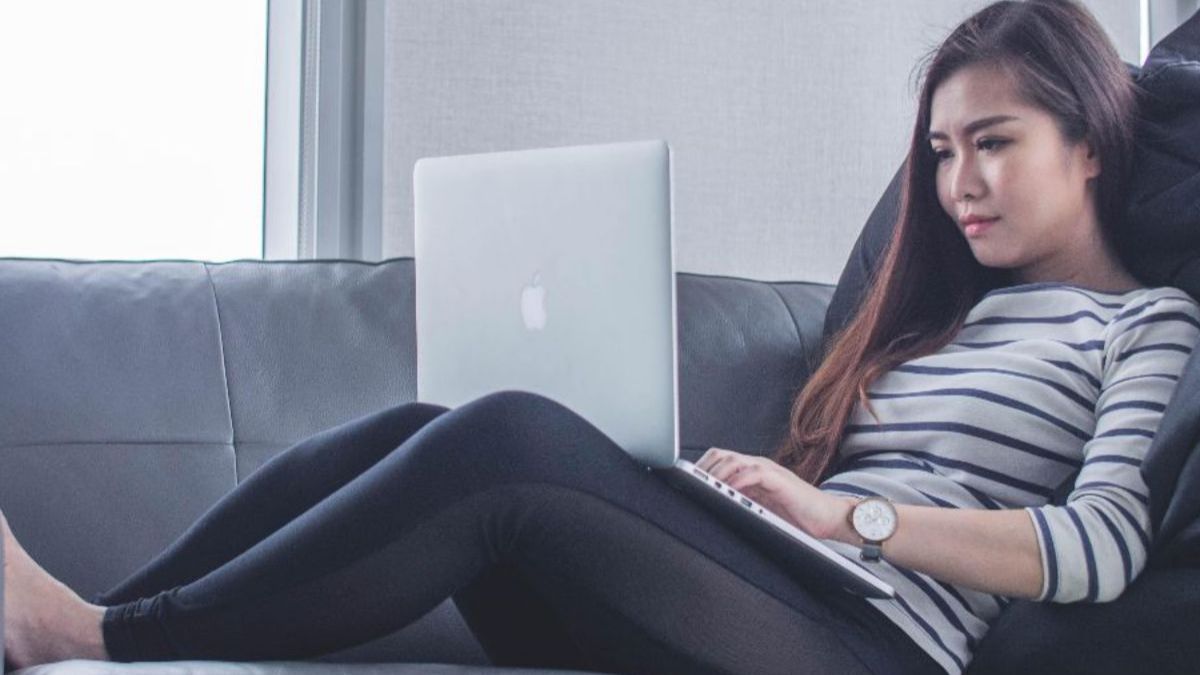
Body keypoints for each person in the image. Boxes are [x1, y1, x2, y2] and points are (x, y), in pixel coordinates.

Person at [4, 1, 1198, 673]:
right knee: (441, 426)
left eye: (993, 142)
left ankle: (97, 634)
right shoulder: (938, 321)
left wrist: (851, 515)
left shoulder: (1147, 323)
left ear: (1090, 140)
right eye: (940, 152)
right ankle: (95, 624)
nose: (957, 182)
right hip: (774, 593)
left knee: (514, 439)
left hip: (875, 646)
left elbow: (1100, 548)